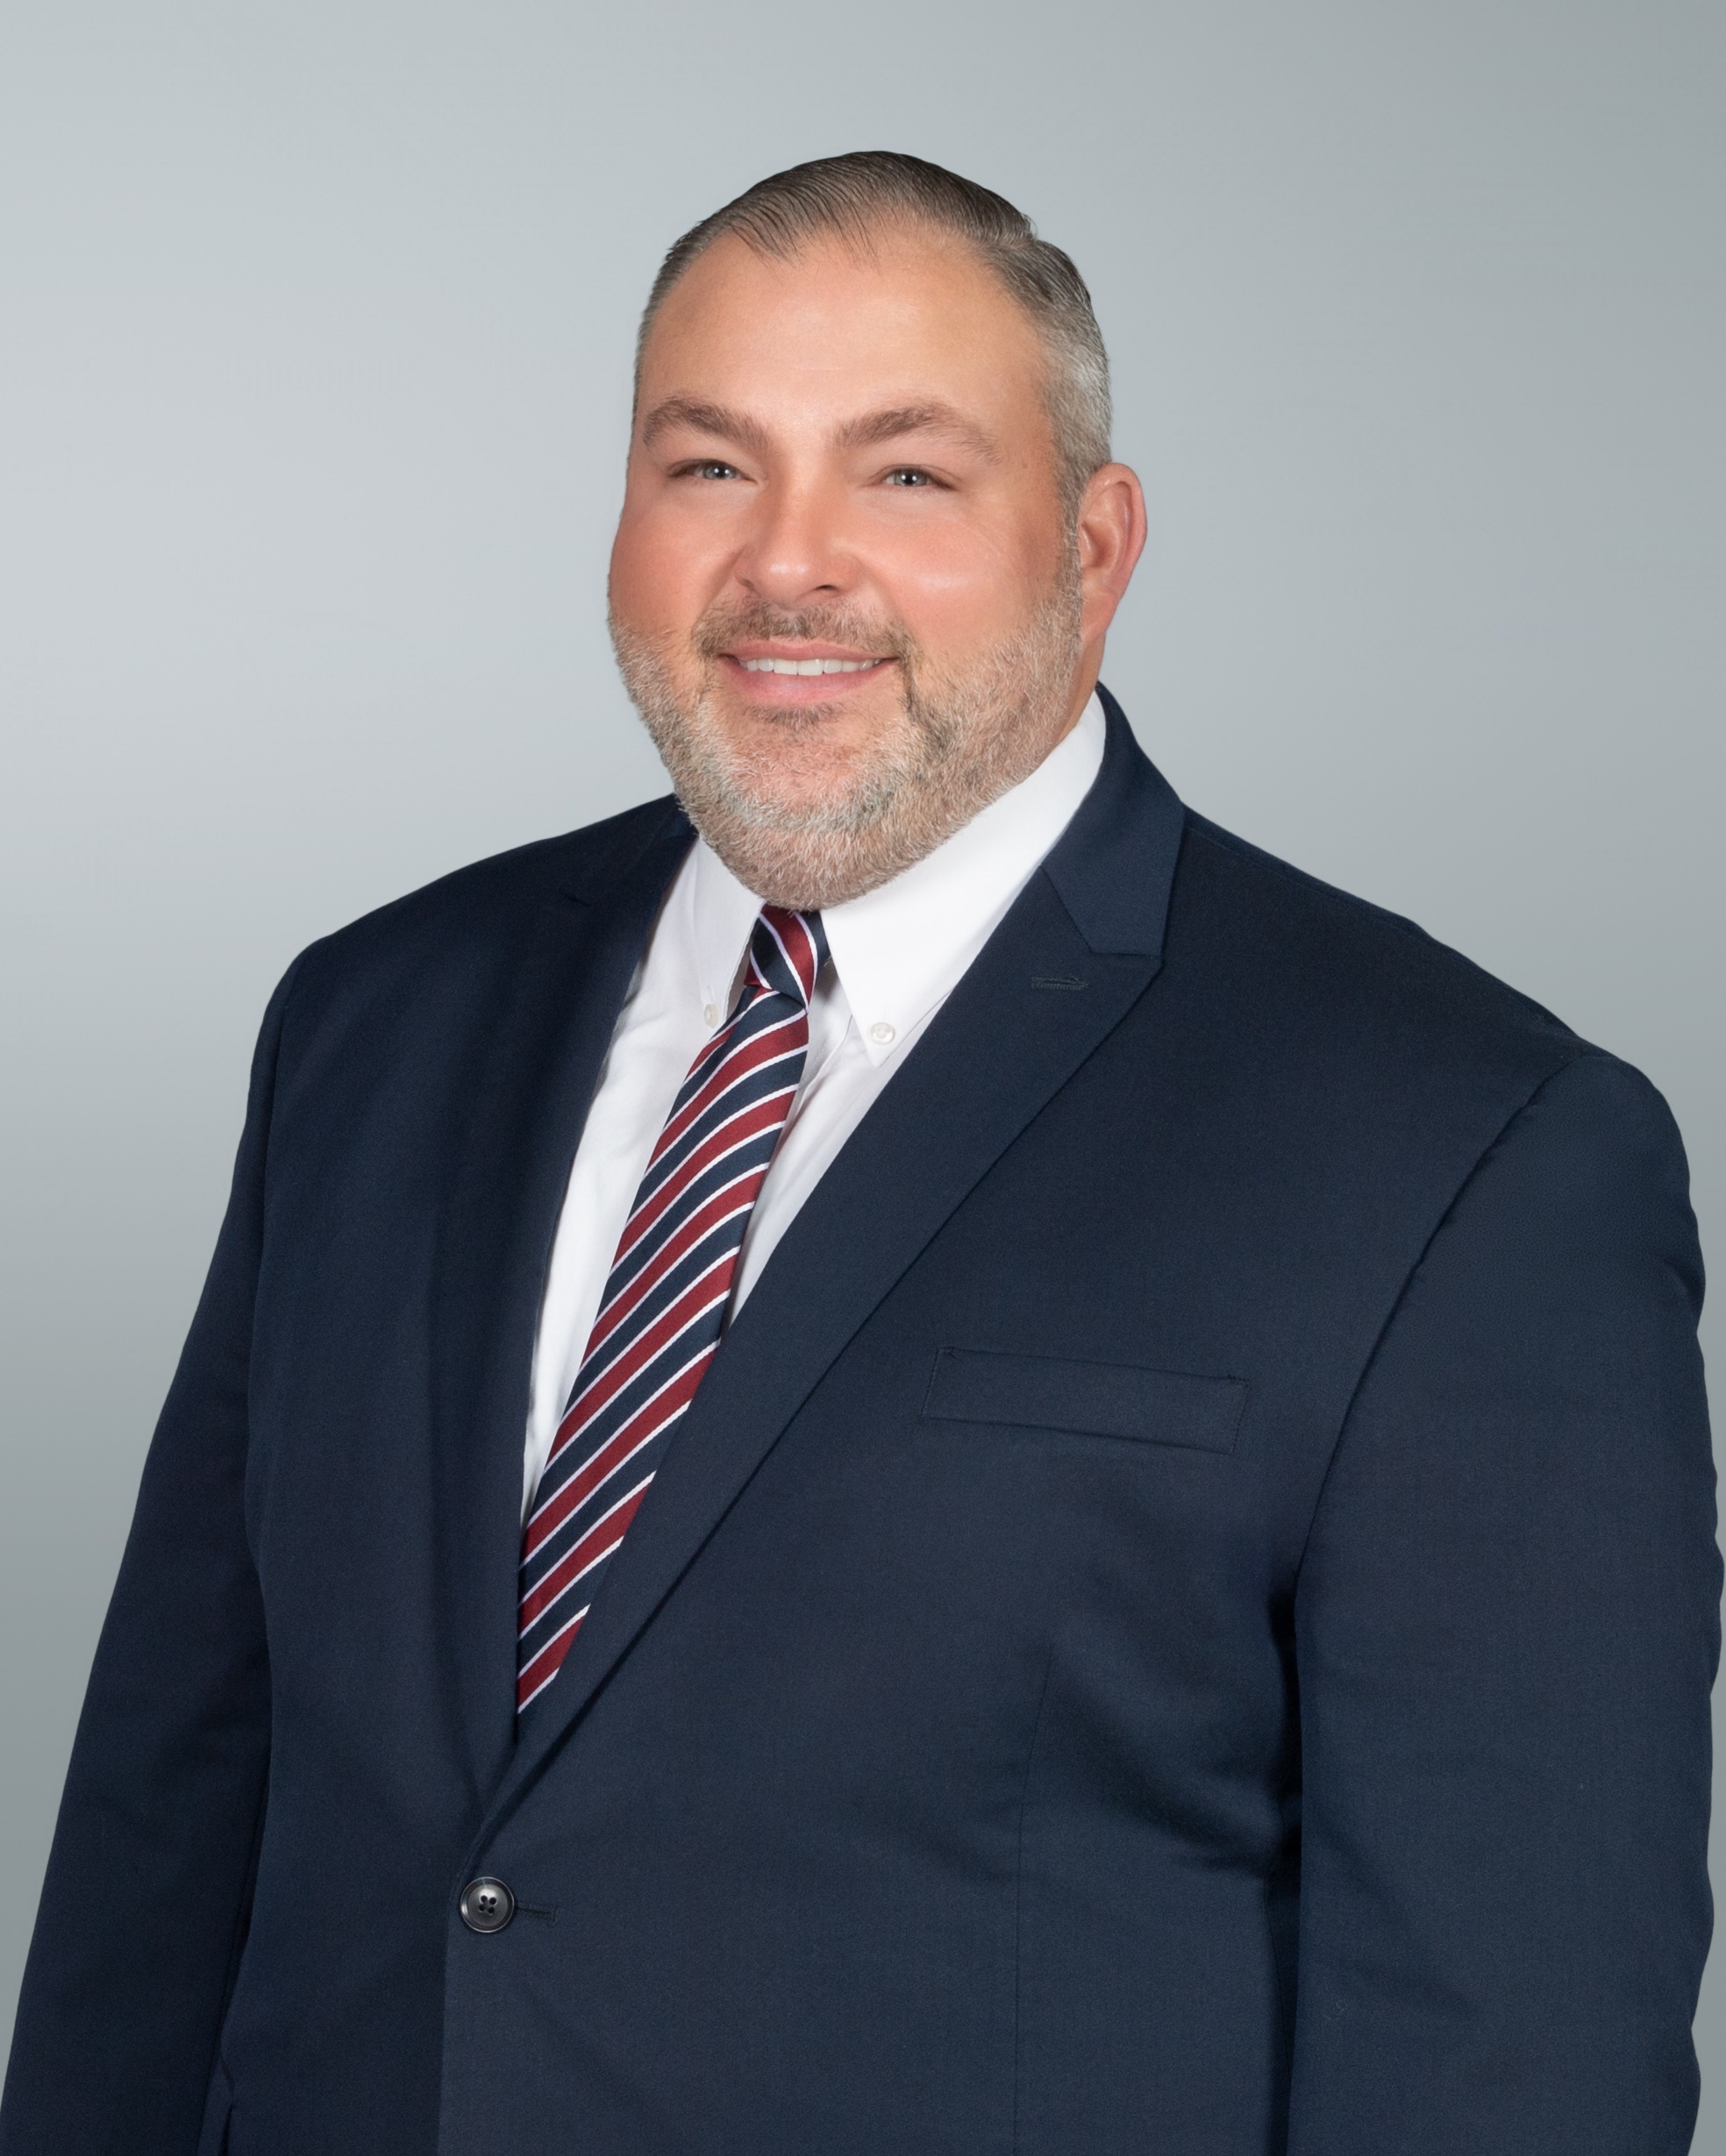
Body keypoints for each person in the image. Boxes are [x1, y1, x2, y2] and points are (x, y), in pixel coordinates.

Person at [0, 151, 1715, 2156]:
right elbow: (169, 1826)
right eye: (709, 466)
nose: (787, 566)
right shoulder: (372, 1023)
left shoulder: (1470, 1153)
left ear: (1095, 546)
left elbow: (1510, 2059)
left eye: (906, 474)